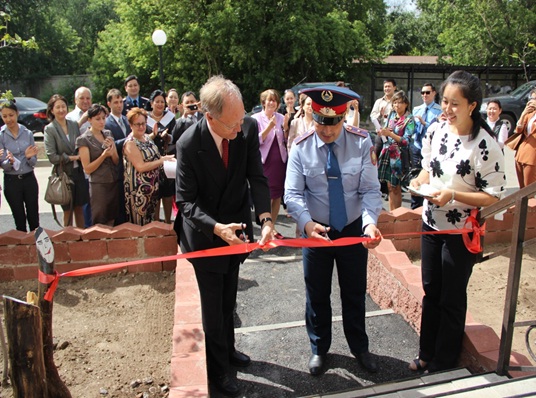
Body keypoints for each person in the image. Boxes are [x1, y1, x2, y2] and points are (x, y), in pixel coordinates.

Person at [174, 75, 273, 397]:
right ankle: (218, 372)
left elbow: (256, 177)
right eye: (232, 125)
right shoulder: (189, 143)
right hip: (206, 235)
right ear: (209, 117)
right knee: (212, 309)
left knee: (229, 299)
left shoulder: (245, 129)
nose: (239, 130)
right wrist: (216, 228)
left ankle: (228, 351)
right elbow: (185, 201)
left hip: (237, 232)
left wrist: (266, 218)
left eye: (242, 120)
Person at [408, 70, 505, 373]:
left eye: (455, 104)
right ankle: (425, 353)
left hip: (460, 232)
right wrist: (420, 182)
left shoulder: (485, 145)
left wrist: (453, 196)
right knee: (430, 291)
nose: (446, 110)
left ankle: (444, 362)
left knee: (451, 297)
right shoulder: (437, 129)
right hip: (430, 223)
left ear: (472, 106)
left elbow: (493, 196)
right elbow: (427, 167)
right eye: (444, 102)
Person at [284, 85, 383, 376]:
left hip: (353, 229)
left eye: (333, 123)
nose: (326, 131)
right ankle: (319, 348)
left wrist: (370, 223)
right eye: (320, 122)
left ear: (344, 118)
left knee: (354, 291)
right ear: (311, 115)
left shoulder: (362, 143)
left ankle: (359, 347)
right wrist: (306, 223)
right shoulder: (301, 147)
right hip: (315, 231)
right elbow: (292, 194)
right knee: (316, 294)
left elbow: (370, 190)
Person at [44, 94, 89, 228]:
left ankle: (82, 239)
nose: (61, 110)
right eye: (57, 107)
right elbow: (52, 157)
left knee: (79, 209)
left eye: (63, 106)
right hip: (64, 174)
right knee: (68, 211)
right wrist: (72, 158)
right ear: (52, 110)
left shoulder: (74, 125)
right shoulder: (50, 129)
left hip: (78, 172)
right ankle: (67, 240)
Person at [123, 107, 174, 226]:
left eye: (143, 123)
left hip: (152, 191)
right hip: (138, 194)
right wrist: (162, 160)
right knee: (140, 228)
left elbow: (152, 153)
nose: (141, 127)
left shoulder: (146, 137)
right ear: (131, 125)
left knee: (151, 225)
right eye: (137, 124)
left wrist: (154, 135)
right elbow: (140, 166)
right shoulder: (130, 142)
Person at [252, 89, 287, 239]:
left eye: (274, 100)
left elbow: (286, 139)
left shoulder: (281, 118)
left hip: (279, 160)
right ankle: (265, 226)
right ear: (263, 102)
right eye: (269, 100)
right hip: (264, 161)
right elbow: (256, 140)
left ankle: (272, 226)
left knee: (277, 194)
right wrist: (269, 127)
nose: (272, 102)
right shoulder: (256, 119)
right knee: (267, 195)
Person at [76, 104, 119, 226]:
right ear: (89, 120)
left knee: (112, 215)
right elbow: (87, 168)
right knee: (99, 217)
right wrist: (104, 155)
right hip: (98, 183)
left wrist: (112, 150)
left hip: (112, 180)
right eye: (97, 119)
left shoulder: (108, 133)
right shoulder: (83, 139)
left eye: (103, 118)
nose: (101, 122)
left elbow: (116, 161)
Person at [0, 100, 39, 232]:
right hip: (12, 180)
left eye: (11, 115)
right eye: (4, 116)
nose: (8, 119)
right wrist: (9, 162)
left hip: (28, 178)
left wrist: (29, 157)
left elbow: (34, 161)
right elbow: (3, 164)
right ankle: (22, 250)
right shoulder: (1, 135)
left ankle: (38, 249)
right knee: (19, 219)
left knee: (34, 218)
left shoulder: (27, 133)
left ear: (17, 114)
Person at [378, 91, 415, 211]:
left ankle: (397, 214)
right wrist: (383, 132)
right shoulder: (391, 115)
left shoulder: (409, 119)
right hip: (387, 153)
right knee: (389, 186)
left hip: (399, 157)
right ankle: (391, 214)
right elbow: (387, 131)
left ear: (406, 104)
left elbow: (405, 141)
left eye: (400, 102)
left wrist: (391, 134)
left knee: (396, 187)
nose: (397, 105)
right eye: (395, 102)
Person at [410, 83, 443, 209]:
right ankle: (415, 207)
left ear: (434, 93)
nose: (424, 95)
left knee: (429, 175)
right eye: (422, 93)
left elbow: (438, 129)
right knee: (416, 175)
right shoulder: (417, 109)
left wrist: (425, 123)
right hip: (417, 146)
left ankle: (426, 204)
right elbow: (412, 128)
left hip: (432, 148)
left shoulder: (439, 110)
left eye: (427, 92)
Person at [147, 89, 176, 223]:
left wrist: (167, 137)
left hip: (167, 157)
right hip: (151, 159)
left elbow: (175, 136)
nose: (159, 104)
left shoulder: (170, 118)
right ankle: (157, 221)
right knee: (155, 193)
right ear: (151, 103)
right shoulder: (145, 118)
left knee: (168, 191)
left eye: (162, 102)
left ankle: (168, 221)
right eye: (157, 101)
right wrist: (153, 135)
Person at [66, 86, 93, 227]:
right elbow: (69, 140)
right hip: (78, 167)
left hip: (96, 164)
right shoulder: (69, 117)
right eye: (82, 98)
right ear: (75, 100)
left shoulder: (95, 114)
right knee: (83, 204)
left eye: (88, 98)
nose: (85, 101)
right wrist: (81, 121)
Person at [105, 89, 131, 225]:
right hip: (117, 169)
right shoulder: (106, 123)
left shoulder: (128, 120)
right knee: (119, 205)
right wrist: (127, 140)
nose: (119, 105)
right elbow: (110, 144)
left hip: (130, 168)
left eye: (121, 102)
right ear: (109, 104)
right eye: (116, 102)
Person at [511, 88, 536, 188]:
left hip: (532, 156)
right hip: (521, 153)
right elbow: (518, 129)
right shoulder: (529, 113)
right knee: (522, 189)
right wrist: (523, 113)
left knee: (528, 189)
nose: (533, 101)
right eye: (532, 98)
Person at [370, 79, 397, 157]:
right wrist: (380, 114)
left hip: (394, 134)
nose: (387, 88)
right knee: (376, 156)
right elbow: (372, 116)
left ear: (394, 87)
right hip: (380, 134)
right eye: (385, 87)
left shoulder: (398, 101)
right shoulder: (379, 102)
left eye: (389, 86)